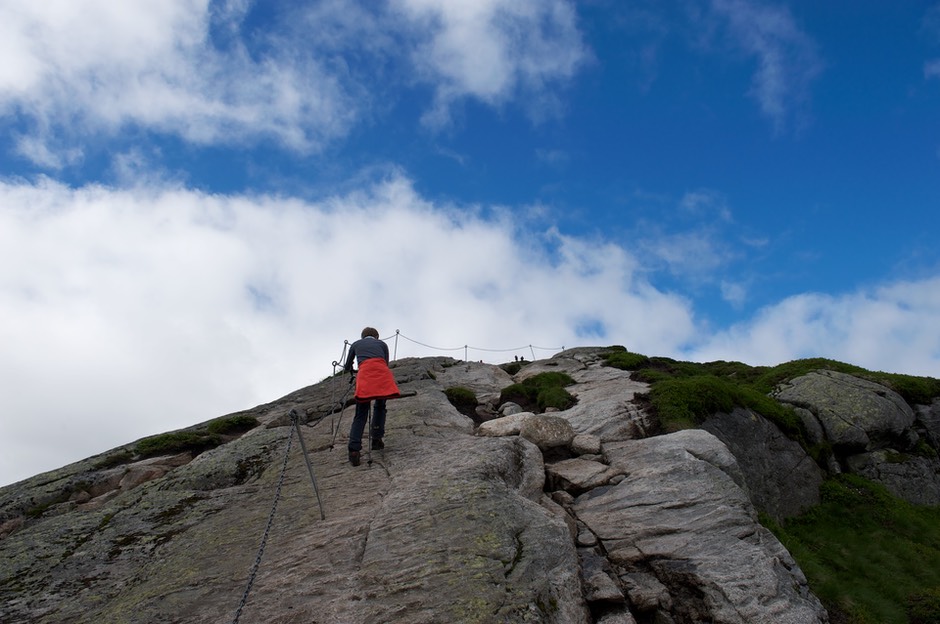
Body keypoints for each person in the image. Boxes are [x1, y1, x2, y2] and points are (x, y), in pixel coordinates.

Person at [343, 327, 400, 466]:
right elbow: (385, 362)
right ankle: (376, 439)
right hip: (382, 374)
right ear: (376, 337)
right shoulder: (382, 344)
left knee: (361, 413)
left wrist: (352, 369)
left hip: (365, 374)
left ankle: (354, 450)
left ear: (363, 336)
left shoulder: (356, 344)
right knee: (380, 406)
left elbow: (347, 366)